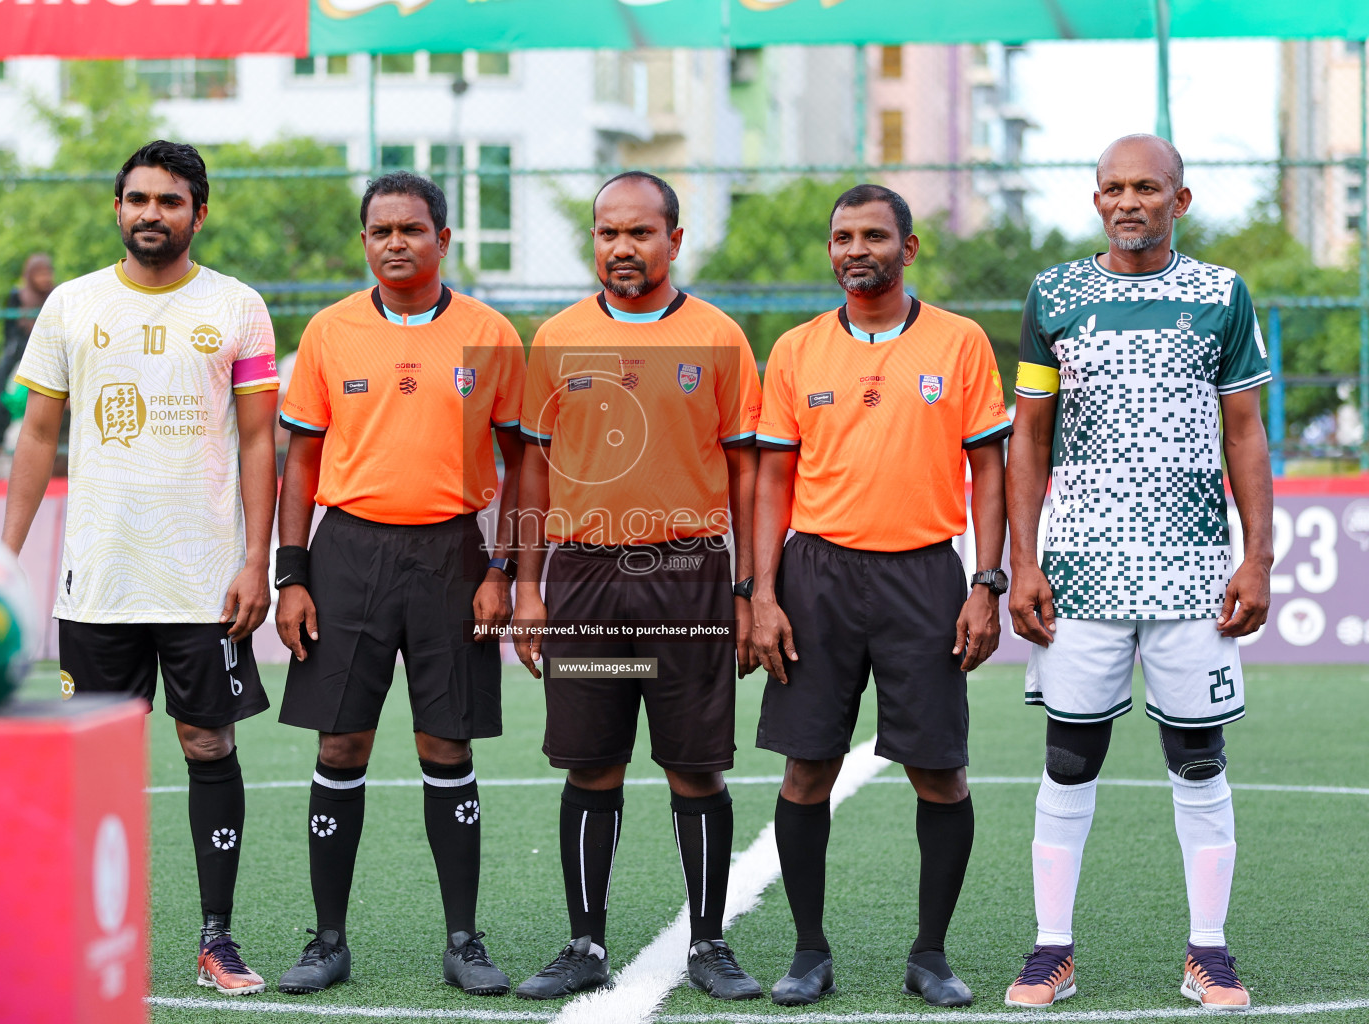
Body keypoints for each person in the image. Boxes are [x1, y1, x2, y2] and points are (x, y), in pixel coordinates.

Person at [2, 140, 279, 995]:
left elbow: (263, 440)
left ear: (199, 211)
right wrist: (0, 561)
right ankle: (77, 932)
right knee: (93, 760)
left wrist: (255, 560)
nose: (150, 214)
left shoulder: (238, 307)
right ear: (116, 209)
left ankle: (216, 940)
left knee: (207, 741)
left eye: (168, 200)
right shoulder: (73, 307)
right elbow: (39, 436)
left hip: (202, 578)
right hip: (100, 576)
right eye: (136, 199)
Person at [1003, 135, 1272, 1011]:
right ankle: (1052, 952)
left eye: (1147, 187)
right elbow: (1029, 439)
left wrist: (1257, 556)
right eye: (1113, 187)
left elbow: (1245, 433)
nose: (1129, 201)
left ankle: (1211, 952)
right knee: (1069, 756)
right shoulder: (1054, 295)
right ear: (1095, 200)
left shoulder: (1222, 294)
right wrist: (1024, 560)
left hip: (1195, 569)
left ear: (1179, 201)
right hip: (1080, 567)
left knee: (1199, 759)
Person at [750, 183, 1012, 1008]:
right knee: (806, 772)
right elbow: (771, 479)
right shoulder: (795, 350)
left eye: (872, 235)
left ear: (909, 247)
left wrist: (986, 583)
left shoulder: (960, 342)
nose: (854, 249)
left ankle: (930, 955)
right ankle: (808, 952)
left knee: (941, 775)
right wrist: (760, 592)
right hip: (816, 576)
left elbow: (990, 471)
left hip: (926, 576)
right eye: (841, 237)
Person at [511, 171, 764, 1001]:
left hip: (689, 576)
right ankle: (584, 943)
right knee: (592, 766)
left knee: (696, 768)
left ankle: (708, 944)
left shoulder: (720, 338)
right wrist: (527, 586)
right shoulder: (555, 337)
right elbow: (533, 477)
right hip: (583, 579)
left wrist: (749, 587)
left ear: (674, 241)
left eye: (641, 233)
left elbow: (747, 472)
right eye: (608, 233)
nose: (623, 248)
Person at [271, 171, 526, 997]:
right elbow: (300, 461)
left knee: (444, 745)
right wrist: (292, 575)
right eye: (380, 231)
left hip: (453, 556)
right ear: (364, 242)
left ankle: (464, 940)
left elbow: (524, 464)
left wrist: (502, 568)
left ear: (443, 240)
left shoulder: (490, 334)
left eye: (411, 229)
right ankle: (327, 940)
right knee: (339, 743)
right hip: (345, 555)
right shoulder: (330, 331)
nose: (394, 243)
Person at [0, 253, 55, 461]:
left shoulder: (56, 295)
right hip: (21, 349)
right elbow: (9, 331)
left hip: (49, 349)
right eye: (40, 274)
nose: (44, 279)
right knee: (1, 385)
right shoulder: (18, 296)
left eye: (47, 273)